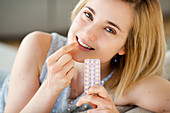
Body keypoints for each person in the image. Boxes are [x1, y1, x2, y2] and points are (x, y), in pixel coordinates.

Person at [0, 0, 170, 112]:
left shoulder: (131, 85)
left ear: (127, 46)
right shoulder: (37, 45)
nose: (88, 34)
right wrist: (50, 87)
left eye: (109, 29)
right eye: (88, 15)